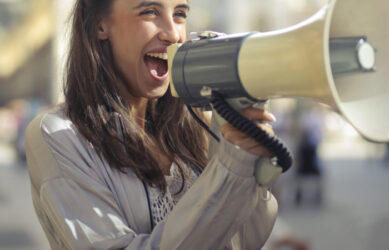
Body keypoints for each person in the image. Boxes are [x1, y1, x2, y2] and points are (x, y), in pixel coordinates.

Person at [25, 0, 279, 249]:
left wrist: (248, 162)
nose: (173, 34)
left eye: (179, 13)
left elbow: (243, 241)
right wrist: (229, 168)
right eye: (149, 12)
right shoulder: (58, 134)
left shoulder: (200, 124)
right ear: (100, 25)